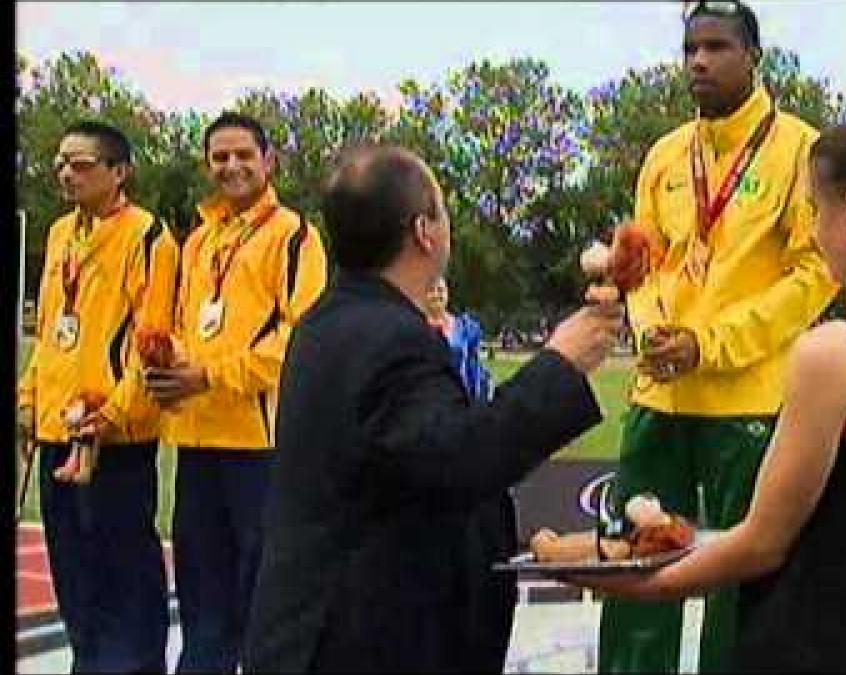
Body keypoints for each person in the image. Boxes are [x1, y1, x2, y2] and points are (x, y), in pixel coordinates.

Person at [570, 92, 846, 673]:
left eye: (815, 210)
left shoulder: (836, 351)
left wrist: (629, 579)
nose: (813, 232)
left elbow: (762, 543)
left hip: (826, 649)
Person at [242, 145, 625, 673]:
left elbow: (398, 478)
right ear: (424, 231)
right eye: (444, 212)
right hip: (365, 644)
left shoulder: (329, 324)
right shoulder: (389, 339)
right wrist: (561, 363)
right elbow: (461, 458)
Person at [598, 1, 838, 671]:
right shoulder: (665, 155)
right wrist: (649, 327)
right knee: (637, 570)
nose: (699, 61)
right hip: (659, 398)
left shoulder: (801, 149)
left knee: (740, 585)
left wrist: (711, 342)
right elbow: (636, 262)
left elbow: (814, 273)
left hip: (749, 400)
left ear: (753, 56)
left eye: (716, 47)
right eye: (689, 49)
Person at [144, 111, 328, 673]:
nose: (232, 166)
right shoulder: (197, 241)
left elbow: (300, 339)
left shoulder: (294, 236)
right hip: (197, 444)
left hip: (261, 447)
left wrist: (211, 375)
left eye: (243, 155)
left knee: (264, 603)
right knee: (202, 603)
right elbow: (185, 325)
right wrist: (168, 365)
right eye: (220, 157)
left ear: (269, 162)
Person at [17, 120, 178, 672]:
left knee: (124, 571)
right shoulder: (61, 233)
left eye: (81, 164)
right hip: (58, 429)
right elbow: (51, 333)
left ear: (119, 172)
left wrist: (113, 412)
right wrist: (29, 401)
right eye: (61, 162)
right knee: (74, 574)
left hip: (114, 437)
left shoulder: (148, 237)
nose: (66, 172)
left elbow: (151, 340)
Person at [426, 275, 515, 670]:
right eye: (433, 287)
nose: (440, 291)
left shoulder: (464, 328)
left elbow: (478, 367)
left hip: (474, 426)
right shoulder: (409, 332)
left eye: (444, 286)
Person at [426, 276, 493, 401]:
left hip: (459, 400)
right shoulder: (414, 325)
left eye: (440, 290)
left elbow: (474, 367)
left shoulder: (466, 327)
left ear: (447, 293)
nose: (436, 295)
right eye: (431, 290)